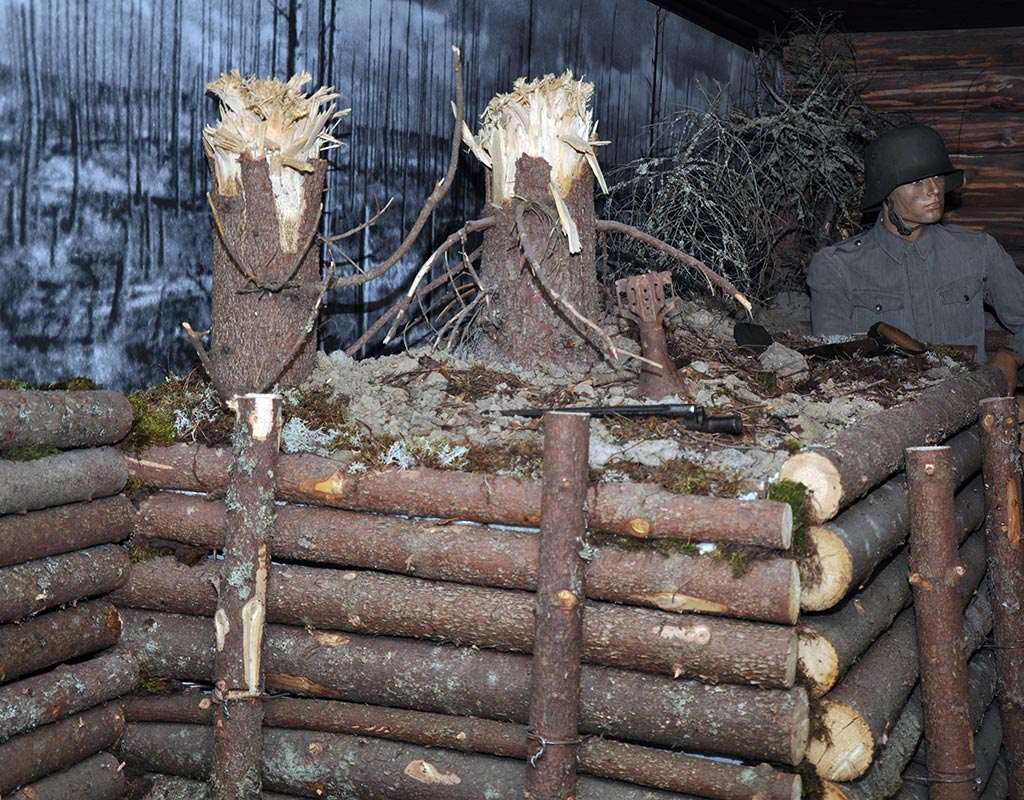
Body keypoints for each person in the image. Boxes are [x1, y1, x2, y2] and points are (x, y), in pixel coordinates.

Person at [806, 123, 1024, 393]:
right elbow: (831, 363)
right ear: (886, 194)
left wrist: (1010, 356)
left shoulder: (977, 251)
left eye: (937, 177)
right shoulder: (838, 266)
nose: (933, 190)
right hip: (885, 414)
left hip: (969, 409)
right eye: (916, 181)